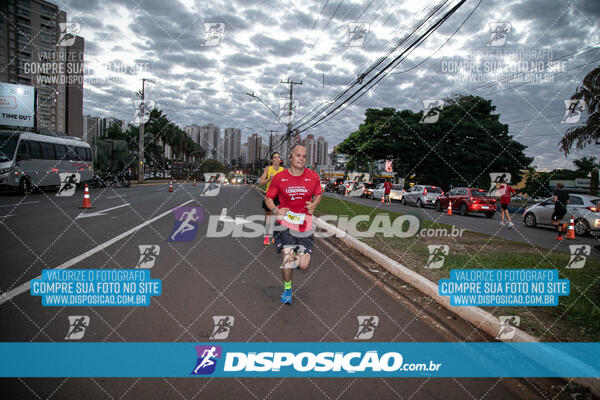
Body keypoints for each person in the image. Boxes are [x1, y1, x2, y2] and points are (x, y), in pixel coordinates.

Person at [264, 145, 322, 304]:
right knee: (288, 258)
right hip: (285, 223)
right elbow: (268, 198)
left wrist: (314, 204)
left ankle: (296, 260)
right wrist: (275, 210)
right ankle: (287, 289)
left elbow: (318, 195)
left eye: (304, 156)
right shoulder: (280, 177)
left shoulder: (313, 177)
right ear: (290, 157)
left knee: (303, 265)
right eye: (298, 155)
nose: (301, 158)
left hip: (305, 224)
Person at [259, 152, 284, 245]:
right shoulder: (268, 169)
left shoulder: (283, 169)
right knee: (269, 218)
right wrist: (269, 179)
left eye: (278, 157)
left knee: (278, 217)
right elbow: (261, 183)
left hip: (279, 196)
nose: (277, 159)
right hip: (269, 196)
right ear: (272, 160)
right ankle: (266, 238)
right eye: (275, 157)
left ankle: (275, 237)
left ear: (279, 159)